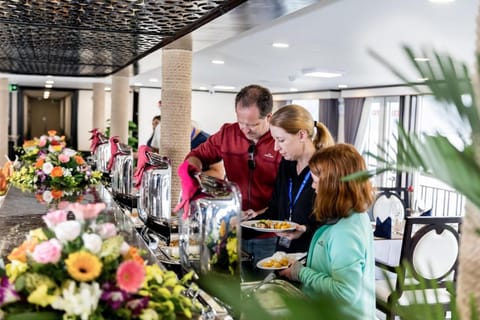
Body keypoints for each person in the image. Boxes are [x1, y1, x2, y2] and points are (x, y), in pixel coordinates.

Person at [184, 84, 282, 265]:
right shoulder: (227, 133)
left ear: (269, 117)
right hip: (231, 227)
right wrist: (193, 177)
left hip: (268, 233)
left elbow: (285, 196)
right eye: (241, 122)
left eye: (252, 124)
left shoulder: (280, 142)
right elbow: (196, 156)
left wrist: (258, 215)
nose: (244, 129)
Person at [279, 143, 376, 319]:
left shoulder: (345, 231)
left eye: (316, 182)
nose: (313, 188)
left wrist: (300, 272)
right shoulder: (355, 215)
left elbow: (344, 293)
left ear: (333, 186)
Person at [248, 104, 334, 253]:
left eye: (281, 140)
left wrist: (306, 229)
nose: (276, 148)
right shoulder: (286, 164)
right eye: (274, 140)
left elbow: (333, 223)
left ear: (301, 135)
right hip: (282, 255)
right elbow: (274, 212)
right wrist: (237, 229)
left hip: (312, 257)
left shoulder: (326, 169)